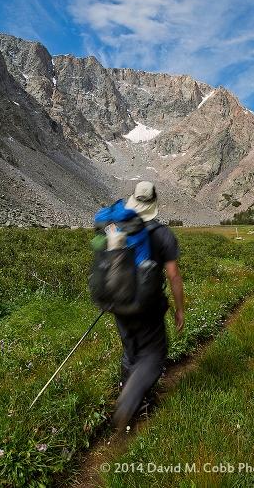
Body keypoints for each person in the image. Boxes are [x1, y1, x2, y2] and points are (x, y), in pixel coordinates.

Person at [113, 181, 184, 430]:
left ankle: (126, 387)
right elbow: (173, 275)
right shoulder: (163, 235)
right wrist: (179, 308)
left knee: (131, 348)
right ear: (154, 204)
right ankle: (133, 400)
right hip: (149, 305)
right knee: (154, 354)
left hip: (119, 303)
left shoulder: (121, 228)